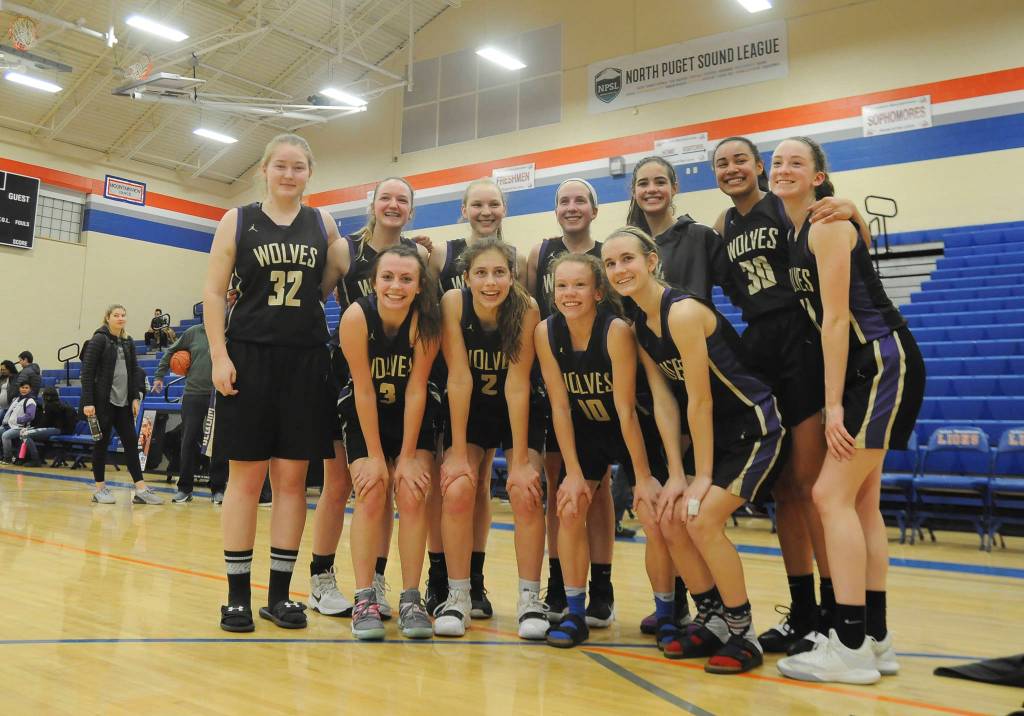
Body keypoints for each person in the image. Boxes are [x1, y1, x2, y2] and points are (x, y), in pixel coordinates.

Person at [772, 137, 925, 685]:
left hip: (879, 361)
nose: (783, 168)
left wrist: (832, 405)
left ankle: (851, 644)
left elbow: (837, 320)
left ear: (819, 176)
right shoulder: (804, 228)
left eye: (796, 162)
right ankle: (876, 639)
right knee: (862, 504)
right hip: (870, 365)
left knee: (828, 495)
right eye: (777, 162)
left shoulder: (826, 224)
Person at [711, 136, 871, 655]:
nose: (732, 169)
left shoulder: (785, 203)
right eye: (722, 163)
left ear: (759, 166)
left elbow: (850, 234)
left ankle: (832, 610)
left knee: (808, 482)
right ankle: (802, 609)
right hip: (760, 344)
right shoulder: (723, 225)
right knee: (783, 489)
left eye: (741, 160)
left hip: (802, 337)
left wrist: (852, 209)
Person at [603, 226, 785, 674]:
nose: (618, 269)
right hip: (714, 436)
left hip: (753, 426)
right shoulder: (638, 323)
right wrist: (675, 474)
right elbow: (665, 401)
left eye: (627, 259)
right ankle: (712, 618)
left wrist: (701, 477)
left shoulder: (682, 312)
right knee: (670, 515)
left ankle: (743, 632)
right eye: (609, 263)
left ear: (651, 262)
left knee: (700, 519)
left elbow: (700, 400)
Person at [205, 133, 343, 633]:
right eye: (280, 165)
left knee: (291, 483)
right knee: (245, 481)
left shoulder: (323, 224)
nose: (289, 174)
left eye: (298, 166)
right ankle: (236, 597)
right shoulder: (237, 219)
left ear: (310, 173)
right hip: (249, 356)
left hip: (305, 361)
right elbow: (214, 292)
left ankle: (280, 596)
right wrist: (219, 355)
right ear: (263, 170)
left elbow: (325, 286)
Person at [534, 253, 667, 648]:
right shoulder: (546, 332)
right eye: (562, 285)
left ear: (597, 292)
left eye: (579, 285)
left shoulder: (615, 331)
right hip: (586, 429)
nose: (569, 293)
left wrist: (643, 477)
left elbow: (626, 411)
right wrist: (574, 473)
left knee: (653, 514)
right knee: (570, 506)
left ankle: (668, 612)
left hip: (633, 430)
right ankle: (575, 612)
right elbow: (560, 406)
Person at [317, 177, 431, 621]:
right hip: (349, 379)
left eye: (403, 199)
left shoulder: (420, 256)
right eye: (386, 197)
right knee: (343, 484)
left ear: (411, 210)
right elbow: (313, 300)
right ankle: (322, 577)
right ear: (373, 203)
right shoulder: (344, 250)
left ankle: (380, 585)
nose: (393, 205)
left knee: (388, 487)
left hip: (399, 382)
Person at [436, 239, 546, 639]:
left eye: (499, 272)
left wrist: (520, 463)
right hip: (471, 408)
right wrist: (457, 453)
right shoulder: (453, 303)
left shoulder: (526, 308)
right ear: (466, 277)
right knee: (458, 488)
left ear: (512, 276)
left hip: (517, 408)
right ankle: (458, 596)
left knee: (524, 491)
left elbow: (517, 384)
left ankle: (529, 599)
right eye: (481, 273)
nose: (490, 281)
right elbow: (458, 378)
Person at [427, 177, 523, 620]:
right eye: (477, 204)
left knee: (481, 485)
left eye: (493, 204)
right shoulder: (442, 256)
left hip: (498, 385)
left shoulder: (519, 265)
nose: (486, 212)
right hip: (452, 384)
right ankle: (441, 578)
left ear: (504, 209)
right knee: (448, 484)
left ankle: (474, 580)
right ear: (463, 210)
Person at [525, 178, 618, 627]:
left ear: (595, 210)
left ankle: (601, 584)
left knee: (598, 491)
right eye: (564, 201)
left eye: (581, 199)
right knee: (558, 484)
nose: (572, 206)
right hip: (556, 380)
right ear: (556, 209)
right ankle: (560, 580)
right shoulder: (539, 254)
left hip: (600, 381)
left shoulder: (608, 254)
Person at [338, 244, 440, 640]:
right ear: (374, 281)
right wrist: (376, 456)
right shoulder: (356, 317)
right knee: (371, 491)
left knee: (413, 493)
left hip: (412, 413)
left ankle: (411, 598)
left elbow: (417, 389)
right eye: (388, 277)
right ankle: (364, 597)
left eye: (406, 279)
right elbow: (363, 389)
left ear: (419, 285)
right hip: (367, 414)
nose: (396, 286)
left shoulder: (425, 321)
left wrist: (409, 456)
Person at [80, 305, 164, 505]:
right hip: (103, 402)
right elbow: (87, 372)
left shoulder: (128, 341)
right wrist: (88, 402)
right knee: (101, 444)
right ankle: (99, 489)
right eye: (116, 315)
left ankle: (141, 489)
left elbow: (134, 371)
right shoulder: (98, 339)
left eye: (123, 315)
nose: (120, 318)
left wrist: (135, 397)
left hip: (124, 402)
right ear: (107, 318)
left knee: (131, 443)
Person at [153, 322, 229, 504]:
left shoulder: (230, 332)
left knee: (218, 442)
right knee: (188, 440)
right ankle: (184, 488)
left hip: (220, 394)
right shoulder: (193, 332)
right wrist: (159, 375)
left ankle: (218, 488)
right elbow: (171, 351)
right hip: (193, 394)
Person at [17, 386, 77, 467]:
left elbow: (45, 423)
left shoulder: (50, 406)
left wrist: (32, 428)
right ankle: (35, 458)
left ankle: (35, 460)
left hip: (58, 430)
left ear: (46, 396)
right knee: (27, 433)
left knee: (25, 434)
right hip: (65, 430)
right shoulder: (62, 403)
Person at [0, 382, 37, 463]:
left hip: (21, 427)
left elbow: (30, 416)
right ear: (19, 388)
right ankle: (1, 455)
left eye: (26, 388)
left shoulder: (30, 401)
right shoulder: (16, 399)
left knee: (5, 436)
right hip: (10, 425)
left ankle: (8, 458)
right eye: (22, 387)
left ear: (30, 389)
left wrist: (18, 420)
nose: (24, 389)